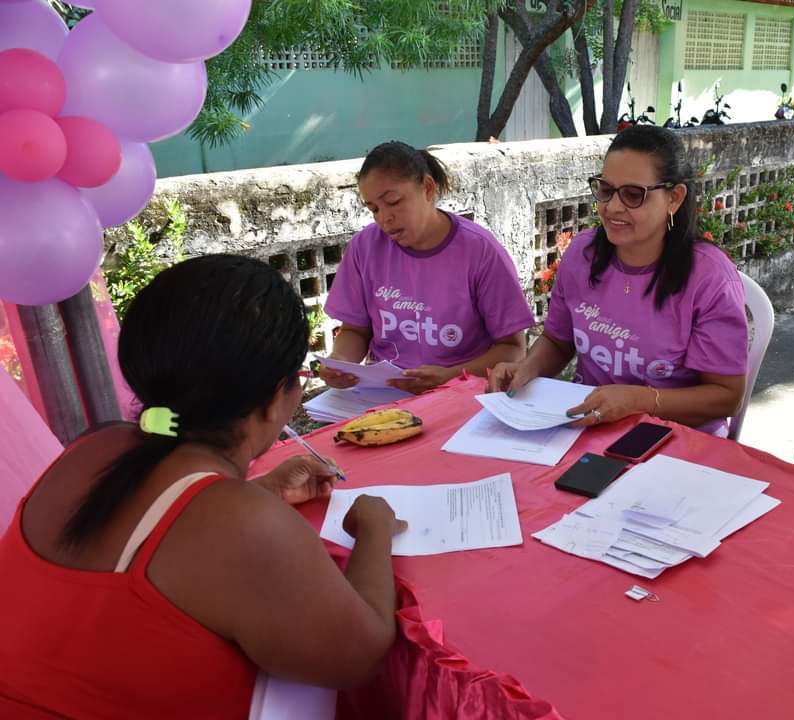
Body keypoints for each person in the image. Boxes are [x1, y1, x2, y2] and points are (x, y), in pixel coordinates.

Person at [0, 255, 406, 718]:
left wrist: (260, 493)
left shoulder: (93, 447)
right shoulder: (245, 525)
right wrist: (374, 526)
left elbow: (158, 544)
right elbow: (358, 656)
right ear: (276, 399)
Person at [489, 125, 748, 434]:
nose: (612, 207)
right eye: (606, 190)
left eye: (633, 195)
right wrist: (526, 369)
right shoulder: (582, 254)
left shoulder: (709, 278)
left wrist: (640, 401)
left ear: (674, 198)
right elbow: (558, 341)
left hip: (675, 436)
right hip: (587, 426)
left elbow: (726, 397)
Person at [321, 141, 535, 395]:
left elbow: (513, 348)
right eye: (374, 209)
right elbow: (355, 330)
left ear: (428, 188)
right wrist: (340, 363)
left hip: (460, 394)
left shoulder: (479, 251)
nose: (384, 218)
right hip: (382, 396)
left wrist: (450, 376)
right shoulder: (364, 247)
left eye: (393, 202)